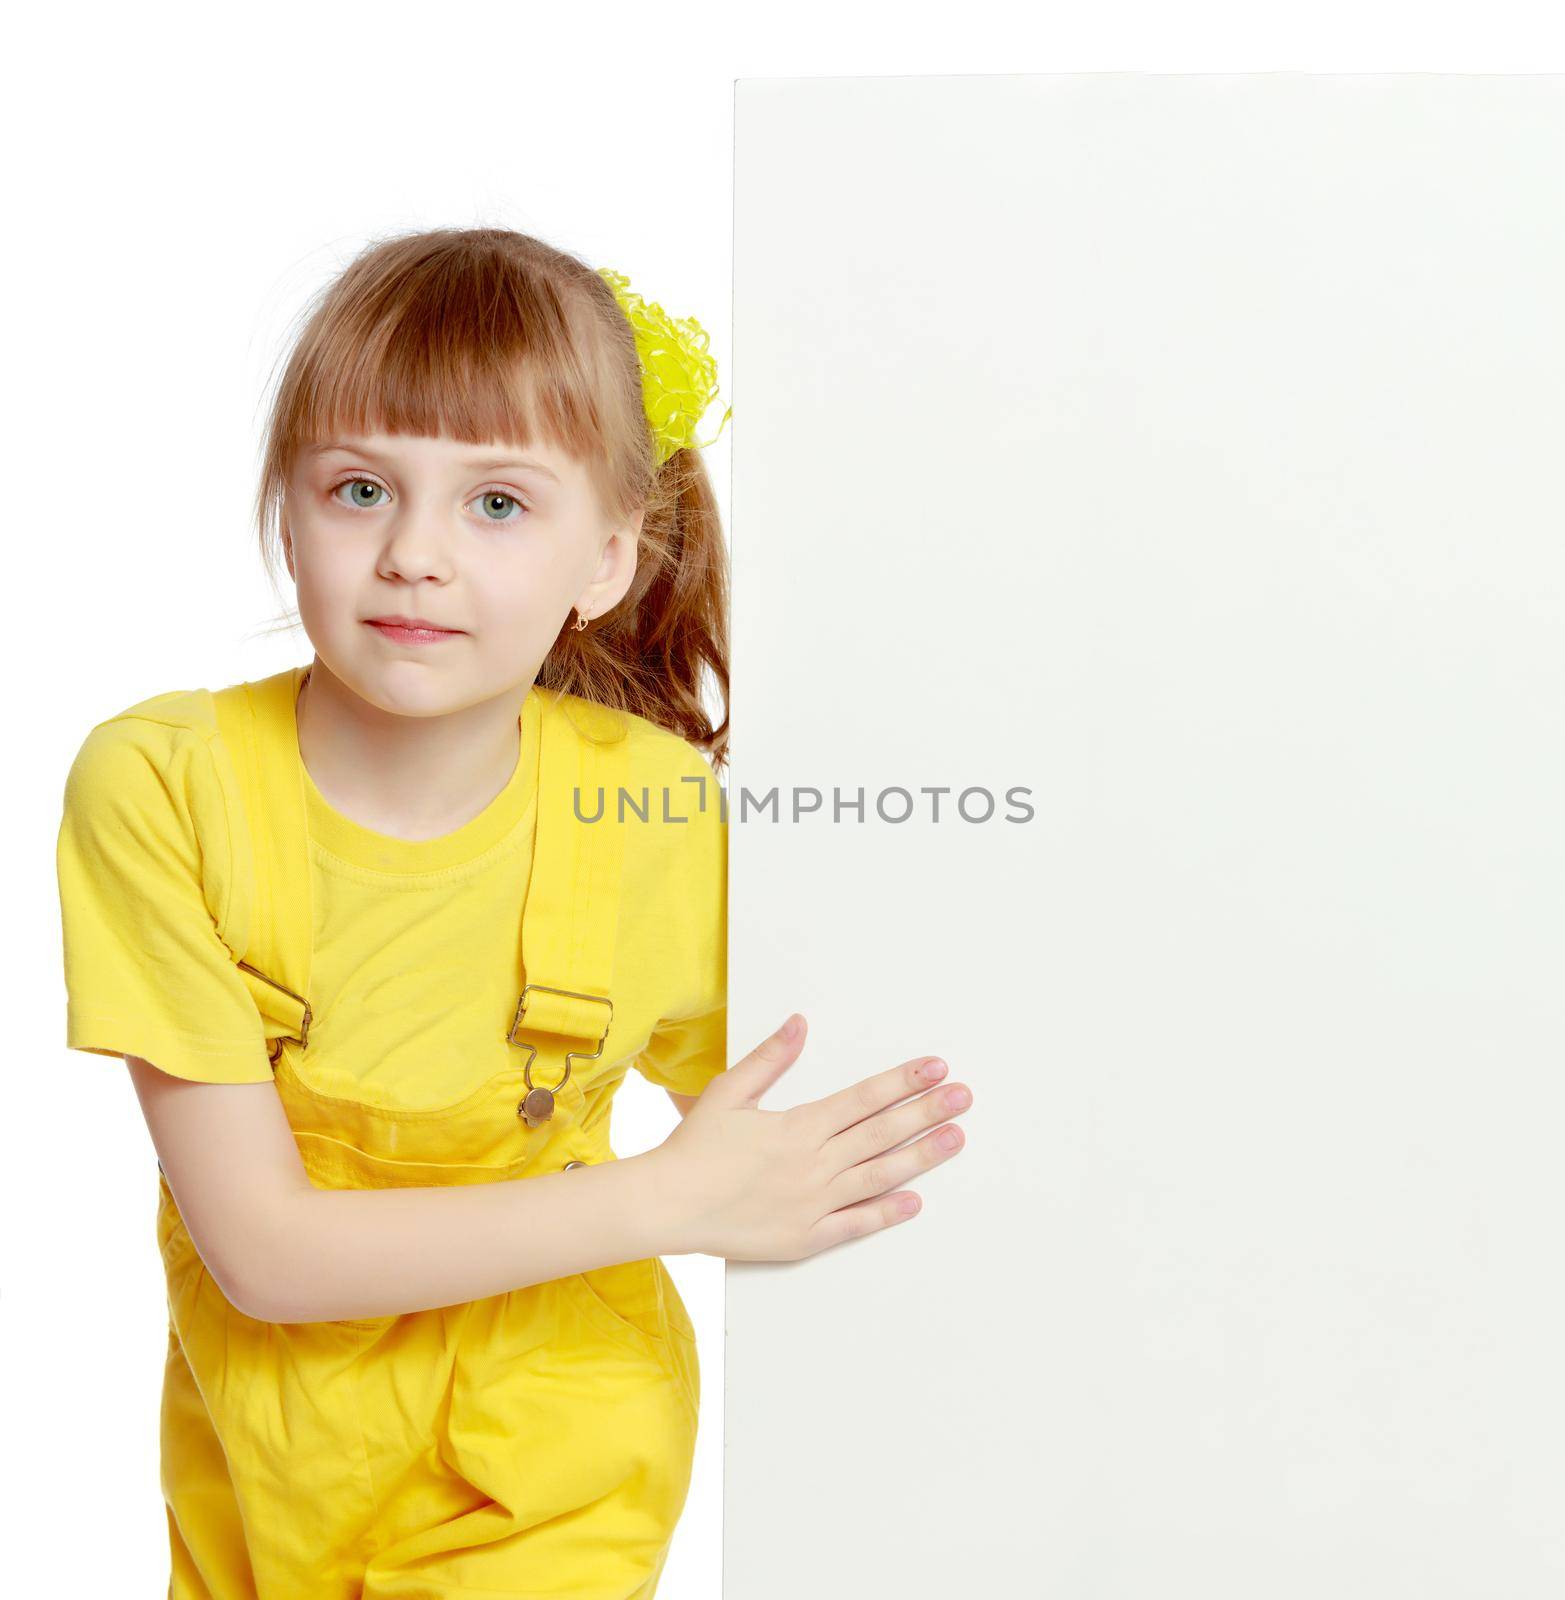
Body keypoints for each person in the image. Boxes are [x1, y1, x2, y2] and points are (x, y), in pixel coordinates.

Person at [54, 225, 975, 1599]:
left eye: (496, 505)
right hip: (264, 1480)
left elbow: (838, 1101)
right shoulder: (165, 787)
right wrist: (667, 1199)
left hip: (552, 1467)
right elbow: (266, 1253)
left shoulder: (661, 814)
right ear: (284, 516)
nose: (415, 555)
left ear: (604, 558)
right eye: (361, 488)